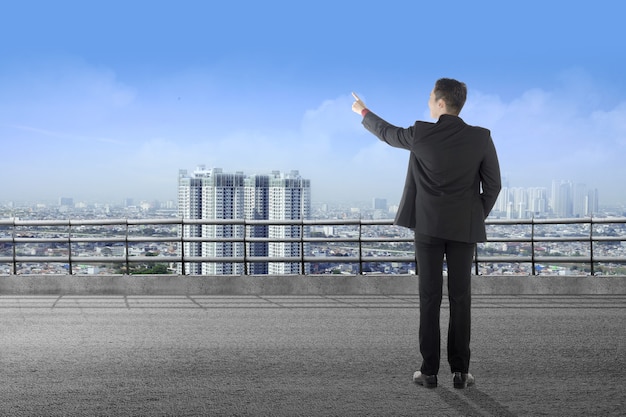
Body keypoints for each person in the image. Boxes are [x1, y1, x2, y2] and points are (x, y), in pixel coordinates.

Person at [351, 78, 501, 389]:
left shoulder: (421, 133)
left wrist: (363, 111)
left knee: (429, 299)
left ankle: (429, 372)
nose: (429, 102)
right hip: (464, 230)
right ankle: (461, 372)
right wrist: (473, 216)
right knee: (461, 300)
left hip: (428, 229)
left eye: (431, 98)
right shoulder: (481, 137)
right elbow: (493, 186)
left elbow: (387, 133)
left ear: (441, 103)